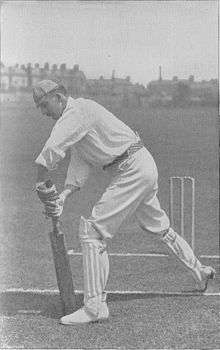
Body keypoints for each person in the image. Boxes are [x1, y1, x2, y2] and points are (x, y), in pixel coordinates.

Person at [33, 79, 215, 325]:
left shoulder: (76, 112)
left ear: (59, 98)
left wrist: (41, 178)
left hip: (132, 169)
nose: (44, 113)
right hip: (140, 165)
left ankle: (95, 307)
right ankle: (200, 272)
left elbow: (51, 151)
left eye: (45, 105)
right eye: (40, 109)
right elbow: (80, 164)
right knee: (159, 228)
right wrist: (63, 196)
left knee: (93, 232)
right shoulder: (79, 120)